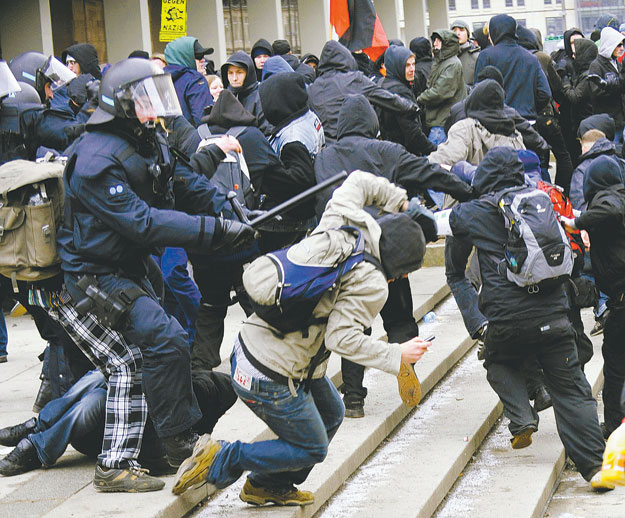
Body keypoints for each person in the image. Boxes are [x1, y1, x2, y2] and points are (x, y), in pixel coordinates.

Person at [171, 170, 434, 503]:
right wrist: (397, 356)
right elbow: (342, 339)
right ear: (399, 269)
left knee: (332, 414)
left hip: (253, 346)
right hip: (271, 374)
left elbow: (356, 181)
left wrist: (398, 199)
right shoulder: (372, 284)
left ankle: (268, 484)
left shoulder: (342, 220)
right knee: (312, 446)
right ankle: (223, 457)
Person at [56, 58, 257, 480]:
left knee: (171, 346)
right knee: (162, 341)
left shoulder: (148, 141)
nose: (155, 110)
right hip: (95, 274)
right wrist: (214, 231)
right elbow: (143, 221)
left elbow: (183, 184)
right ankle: (175, 443)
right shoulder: (93, 158)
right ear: (121, 105)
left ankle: (156, 445)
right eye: (145, 100)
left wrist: (237, 215)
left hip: (133, 265)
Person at [440, 146, 610, 491]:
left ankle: (522, 417)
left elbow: (447, 240)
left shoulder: (478, 211)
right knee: (573, 391)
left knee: (496, 360)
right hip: (555, 316)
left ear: (485, 176)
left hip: (507, 321)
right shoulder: (541, 201)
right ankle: (595, 468)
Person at [314, 94, 473, 416]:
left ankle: (354, 399)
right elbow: (427, 172)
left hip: (342, 255)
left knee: (353, 324)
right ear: (372, 123)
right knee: (399, 318)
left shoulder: (324, 157)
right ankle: (407, 368)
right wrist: (466, 191)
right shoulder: (385, 150)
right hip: (387, 251)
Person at [0, 367, 237, 481]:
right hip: (99, 426)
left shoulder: (178, 431)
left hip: (105, 437)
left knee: (99, 396)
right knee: (101, 377)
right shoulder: (182, 392)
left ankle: (37, 444)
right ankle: (38, 428)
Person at [561, 155, 625, 443]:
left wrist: (576, 223)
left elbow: (609, 212)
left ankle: (613, 429)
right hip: (618, 300)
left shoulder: (610, 199)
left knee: (615, 368)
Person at [308, 40, 418, 145]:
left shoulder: (312, 89)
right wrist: (412, 107)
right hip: (355, 146)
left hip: (327, 152)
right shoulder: (354, 79)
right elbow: (387, 98)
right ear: (346, 58)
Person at [428, 79, 524, 167]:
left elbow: (442, 160)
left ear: (473, 101)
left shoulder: (465, 129)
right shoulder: (515, 136)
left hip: (471, 184)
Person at [474, 14, 551, 122]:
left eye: (490, 33)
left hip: (498, 123)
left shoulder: (485, 56)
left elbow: (478, 93)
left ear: (495, 32)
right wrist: (530, 109)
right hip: (527, 121)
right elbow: (545, 93)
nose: (488, 38)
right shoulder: (531, 58)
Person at [379, 45, 435, 156]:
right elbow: (412, 132)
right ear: (397, 66)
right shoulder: (400, 91)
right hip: (406, 154)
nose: (412, 69)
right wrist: (433, 150)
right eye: (407, 65)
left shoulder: (384, 84)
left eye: (413, 64)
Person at [417, 29, 466, 146]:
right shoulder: (440, 61)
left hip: (443, 121)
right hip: (438, 119)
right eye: (434, 41)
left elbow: (440, 92)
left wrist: (419, 98)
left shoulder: (452, 64)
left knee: (434, 160)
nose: (434, 44)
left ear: (447, 43)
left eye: (439, 41)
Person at [164, 36, 214, 126]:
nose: (203, 60)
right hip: (193, 137)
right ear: (185, 57)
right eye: (198, 56)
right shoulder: (195, 79)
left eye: (203, 56)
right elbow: (203, 119)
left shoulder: (160, 79)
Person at [588, 27, 625, 144]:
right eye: (618, 45)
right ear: (610, 45)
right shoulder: (596, 65)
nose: (622, 48)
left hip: (621, 119)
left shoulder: (617, 63)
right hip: (608, 121)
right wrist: (614, 85)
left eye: (623, 45)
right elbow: (596, 92)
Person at [221, 51, 272, 135]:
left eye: (239, 72)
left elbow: (266, 131)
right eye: (230, 73)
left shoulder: (260, 97)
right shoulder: (225, 97)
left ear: (248, 73)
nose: (234, 78)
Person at [451, 19, 479, 87]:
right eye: (454, 30)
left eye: (461, 30)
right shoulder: (445, 56)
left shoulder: (477, 56)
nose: (458, 33)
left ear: (468, 34)